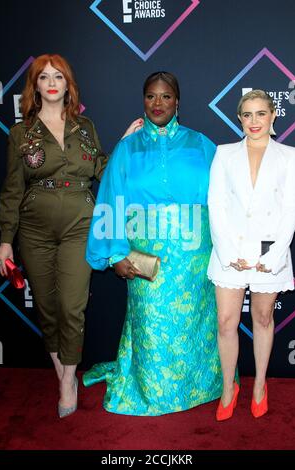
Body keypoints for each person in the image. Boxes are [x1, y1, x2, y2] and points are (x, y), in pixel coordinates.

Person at [0, 53, 142, 418]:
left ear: (67, 85)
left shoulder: (85, 127)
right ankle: (62, 371)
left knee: (72, 307)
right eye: (43, 76)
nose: (50, 82)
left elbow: (102, 170)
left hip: (81, 224)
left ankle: (67, 380)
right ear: (35, 86)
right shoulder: (20, 134)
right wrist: (4, 239)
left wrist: (123, 143)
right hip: (34, 230)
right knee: (47, 308)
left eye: (57, 76)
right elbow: (12, 190)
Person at [84, 71, 223, 416]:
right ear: (143, 100)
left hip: (195, 258)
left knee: (196, 324)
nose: (157, 103)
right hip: (146, 259)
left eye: (165, 96)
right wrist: (116, 253)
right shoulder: (127, 149)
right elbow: (111, 200)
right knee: (150, 325)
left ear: (178, 102)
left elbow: (224, 199)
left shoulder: (201, 145)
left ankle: (202, 387)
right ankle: (149, 393)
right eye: (150, 96)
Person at [207, 89, 295, 421]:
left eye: (261, 114)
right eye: (247, 114)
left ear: (273, 116)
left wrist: (273, 256)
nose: (254, 121)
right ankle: (229, 388)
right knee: (226, 322)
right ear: (239, 118)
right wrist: (228, 251)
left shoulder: (291, 156)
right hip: (228, 250)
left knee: (262, 318)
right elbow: (215, 205)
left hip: (269, 254)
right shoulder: (224, 153)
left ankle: (259, 384)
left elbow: (290, 211)